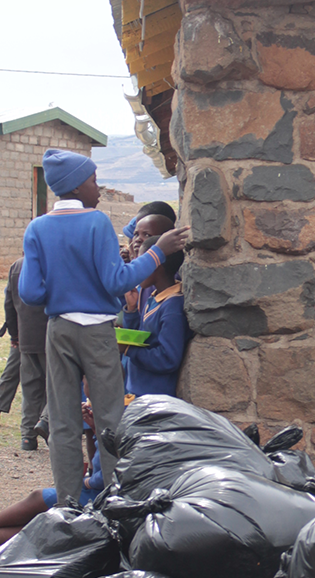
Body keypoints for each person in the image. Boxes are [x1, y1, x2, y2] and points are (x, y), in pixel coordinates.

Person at [18, 148, 188, 506]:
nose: (98, 187)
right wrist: (158, 252)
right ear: (78, 186)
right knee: (110, 418)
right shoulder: (96, 222)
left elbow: (31, 292)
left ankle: (66, 503)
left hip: (59, 329)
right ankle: (115, 500)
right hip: (97, 331)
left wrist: (62, 287)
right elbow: (116, 281)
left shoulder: (37, 228)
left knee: (63, 420)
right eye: (94, 180)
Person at [121, 247, 192, 398]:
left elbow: (168, 359)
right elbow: (143, 338)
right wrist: (132, 310)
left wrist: (128, 350)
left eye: (141, 263)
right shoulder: (154, 298)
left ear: (156, 266)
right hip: (138, 391)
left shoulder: (172, 306)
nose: (136, 267)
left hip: (155, 397)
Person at [6, 253, 50, 451]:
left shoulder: (17, 266)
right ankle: (47, 425)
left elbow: (9, 303)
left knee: (30, 388)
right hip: (52, 336)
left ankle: (27, 437)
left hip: (27, 336)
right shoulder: (57, 261)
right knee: (56, 386)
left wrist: (15, 335)